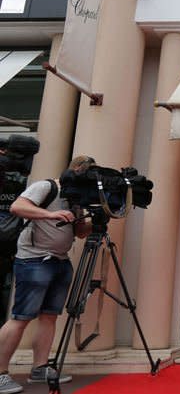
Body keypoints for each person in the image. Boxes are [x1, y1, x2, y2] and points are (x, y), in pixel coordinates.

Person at [0, 155, 95, 394]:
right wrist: (50, 215)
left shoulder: (76, 199)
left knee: (49, 316)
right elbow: (17, 207)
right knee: (21, 317)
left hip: (60, 261)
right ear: (76, 171)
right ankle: (0, 372)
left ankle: (40, 367)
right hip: (33, 260)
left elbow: (81, 233)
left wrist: (95, 217)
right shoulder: (47, 187)